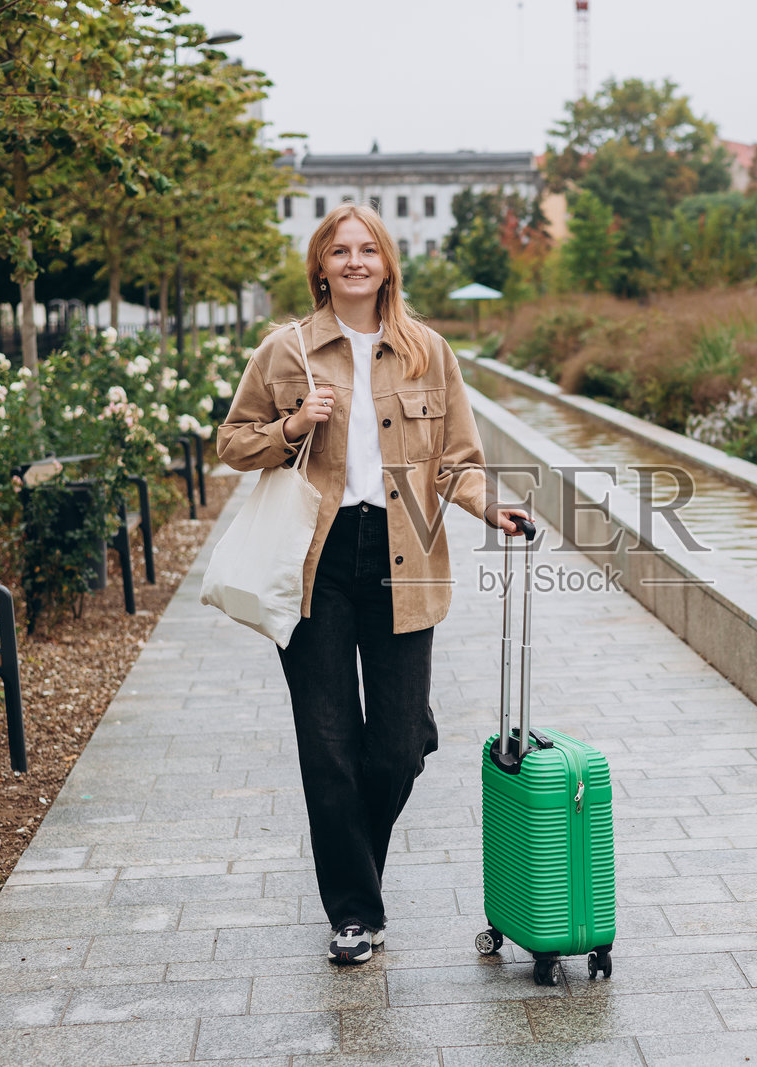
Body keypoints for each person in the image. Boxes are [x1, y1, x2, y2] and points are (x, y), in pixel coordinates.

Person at [216, 203, 531, 964]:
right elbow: (231, 442)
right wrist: (292, 428)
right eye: (338, 250)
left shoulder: (428, 351)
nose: (354, 261)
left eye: (367, 249)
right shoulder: (283, 351)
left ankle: (400, 750)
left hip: (404, 556)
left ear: (387, 263)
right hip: (315, 560)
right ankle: (354, 912)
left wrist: (493, 506)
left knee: (392, 749)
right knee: (328, 748)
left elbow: (457, 458)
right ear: (319, 266)